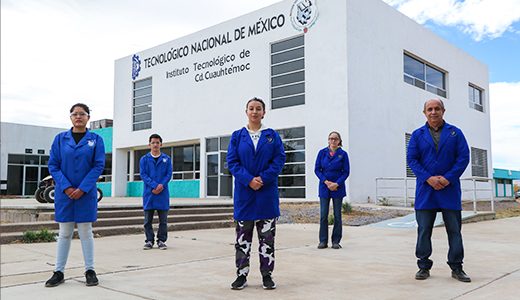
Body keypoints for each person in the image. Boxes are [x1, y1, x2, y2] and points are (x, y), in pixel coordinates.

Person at [407, 99, 471, 282]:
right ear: (424, 112)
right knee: (424, 230)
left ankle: (457, 267)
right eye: (430, 109)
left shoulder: (455, 133)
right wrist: (428, 178)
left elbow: (463, 157)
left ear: (443, 111)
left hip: (448, 189)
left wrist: (447, 178)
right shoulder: (417, 135)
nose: (433, 112)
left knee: (454, 231)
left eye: (437, 109)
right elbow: (412, 159)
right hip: (426, 190)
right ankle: (423, 266)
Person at [226, 97, 286, 290]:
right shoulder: (237, 136)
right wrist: (248, 180)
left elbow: (279, 160)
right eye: (251, 108)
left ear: (263, 113)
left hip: (266, 197)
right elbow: (233, 162)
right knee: (242, 241)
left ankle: (267, 276)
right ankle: (241, 276)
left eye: (258, 109)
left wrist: (263, 178)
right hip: (245, 197)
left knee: (267, 241)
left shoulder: (272, 136)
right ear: (246, 112)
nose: (254, 112)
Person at [45, 103, 105, 287]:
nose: (78, 117)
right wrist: (67, 187)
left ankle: (90, 270)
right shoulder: (60, 139)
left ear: (88, 117)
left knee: (86, 232)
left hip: (85, 194)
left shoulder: (96, 139)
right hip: (65, 194)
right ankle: (59, 271)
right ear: (70, 117)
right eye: (75, 114)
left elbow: (98, 165)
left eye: (82, 114)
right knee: (64, 233)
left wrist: (83, 188)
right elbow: (53, 165)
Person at [314, 131, 350, 249]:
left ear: (339, 141)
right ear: (328, 140)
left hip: (337, 189)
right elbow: (317, 170)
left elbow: (346, 172)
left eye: (335, 139)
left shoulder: (343, 155)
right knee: (323, 215)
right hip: (324, 187)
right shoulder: (322, 153)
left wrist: (337, 184)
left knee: (337, 215)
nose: (333, 141)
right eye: (331, 138)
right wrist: (326, 181)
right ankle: (323, 241)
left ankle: (336, 241)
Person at [139, 134, 172, 250]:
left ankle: (161, 240)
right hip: (149, 193)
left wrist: (161, 186)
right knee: (148, 220)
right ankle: (149, 240)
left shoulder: (167, 159)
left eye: (157, 142)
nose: (155, 145)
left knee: (163, 220)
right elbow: (143, 174)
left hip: (162, 193)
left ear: (161, 144)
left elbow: (169, 174)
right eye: (153, 142)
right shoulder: (144, 159)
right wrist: (154, 185)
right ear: (149, 144)